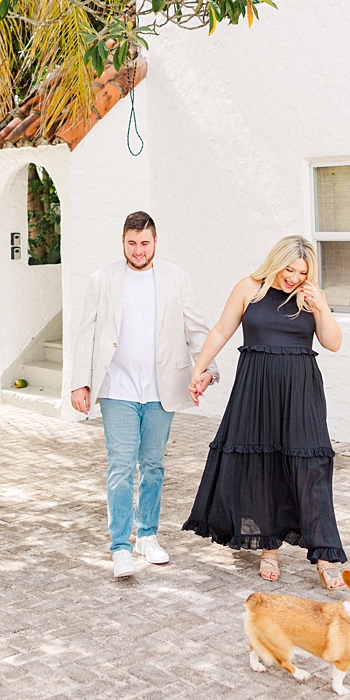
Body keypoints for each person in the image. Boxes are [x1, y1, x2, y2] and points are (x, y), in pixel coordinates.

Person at [181, 236, 348, 588]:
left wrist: (321, 307)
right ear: (276, 262)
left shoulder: (309, 296)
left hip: (300, 392)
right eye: (289, 269)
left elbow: (332, 342)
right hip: (255, 389)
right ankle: (267, 547)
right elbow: (223, 329)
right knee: (261, 466)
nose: (294, 277)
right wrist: (200, 369)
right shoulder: (249, 288)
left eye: (302, 272)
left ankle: (324, 554)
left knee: (310, 469)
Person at [67, 211, 216, 580]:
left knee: (153, 465)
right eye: (131, 243)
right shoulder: (103, 279)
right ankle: (120, 545)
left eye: (144, 243)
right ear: (123, 242)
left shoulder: (176, 278)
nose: (138, 250)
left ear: (155, 242)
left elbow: (197, 330)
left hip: (161, 389)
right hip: (117, 387)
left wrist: (208, 370)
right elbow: (85, 332)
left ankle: (147, 535)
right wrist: (78, 382)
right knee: (120, 466)